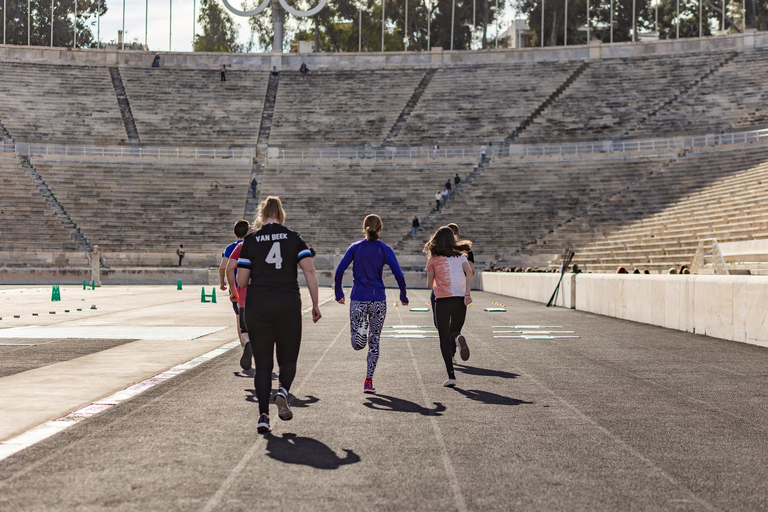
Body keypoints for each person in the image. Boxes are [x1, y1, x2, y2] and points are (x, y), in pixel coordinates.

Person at [237, 196, 321, 434]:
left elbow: (242, 280)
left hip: (258, 304)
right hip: (287, 302)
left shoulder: (250, 240)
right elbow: (310, 270)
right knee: (288, 360)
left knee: (263, 365)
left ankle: (263, 417)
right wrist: (315, 304)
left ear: (262, 215)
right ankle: (283, 392)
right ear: (281, 213)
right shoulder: (293, 237)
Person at [334, 214, 409, 393]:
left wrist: (339, 292)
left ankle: (360, 330)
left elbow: (339, 271)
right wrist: (403, 295)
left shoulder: (355, 247)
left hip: (359, 298)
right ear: (380, 229)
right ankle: (368, 380)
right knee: (374, 341)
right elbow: (398, 274)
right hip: (378, 300)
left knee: (357, 344)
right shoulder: (384, 249)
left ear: (364, 228)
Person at [424, 226, 473, 387]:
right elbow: (470, 272)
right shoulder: (460, 257)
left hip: (443, 300)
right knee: (454, 331)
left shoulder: (433, 260)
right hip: (460, 299)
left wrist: (435, 276)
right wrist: (467, 293)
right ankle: (458, 338)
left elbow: (429, 284)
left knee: (444, 338)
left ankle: (451, 376)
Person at [220, 220, 251, 368]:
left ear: (234, 233)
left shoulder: (232, 248)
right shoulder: (252, 245)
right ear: (248, 232)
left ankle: (245, 346)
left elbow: (224, 267)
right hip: (255, 289)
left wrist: (223, 283)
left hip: (238, 289)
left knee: (240, 321)